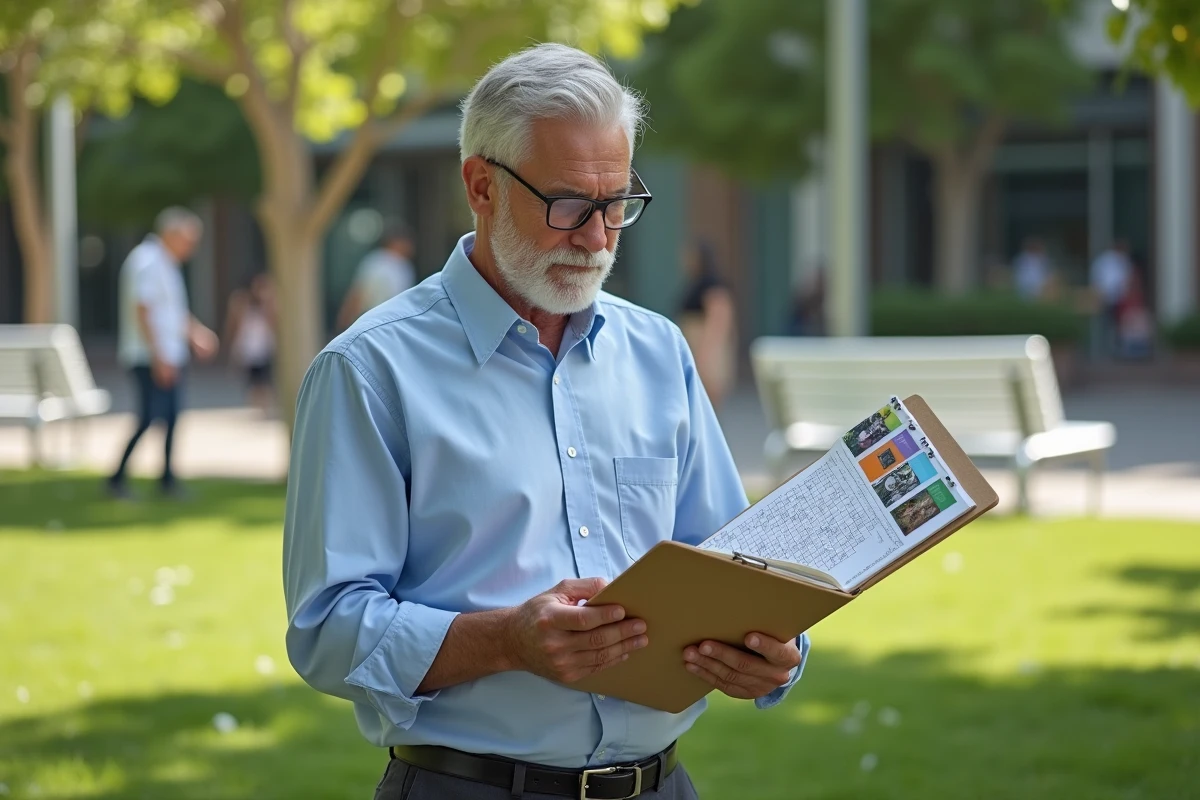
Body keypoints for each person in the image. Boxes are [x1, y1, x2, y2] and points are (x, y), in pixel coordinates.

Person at [283, 43, 808, 800]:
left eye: (618, 204)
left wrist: (775, 647)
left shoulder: (658, 351)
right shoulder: (370, 369)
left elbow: (727, 562)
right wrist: (505, 642)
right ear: (481, 185)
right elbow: (327, 630)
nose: (597, 238)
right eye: (569, 205)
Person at [108, 207, 219, 499]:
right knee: (149, 417)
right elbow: (143, 311)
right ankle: (116, 479)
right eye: (188, 240)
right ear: (171, 234)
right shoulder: (147, 262)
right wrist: (159, 356)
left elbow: (172, 312)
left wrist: (195, 334)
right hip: (150, 357)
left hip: (169, 355)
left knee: (170, 417)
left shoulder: (166, 264)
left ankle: (167, 480)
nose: (191, 248)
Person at [678, 240, 736, 410]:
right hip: (695, 345)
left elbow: (719, 319)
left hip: (706, 348)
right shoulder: (696, 283)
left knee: (707, 404)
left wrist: (705, 354)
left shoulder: (713, 284)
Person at [336, 222, 417, 331]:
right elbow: (358, 294)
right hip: (371, 320)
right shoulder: (377, 261)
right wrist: (346, 322)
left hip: (393, 323)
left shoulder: (405, 266)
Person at [223, 272, 277, 415]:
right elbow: (233, 325)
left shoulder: (268, 304)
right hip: (248, 349)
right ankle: (258, 408)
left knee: (264, 380)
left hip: (265, 348)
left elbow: (275, 323)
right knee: (253, 381)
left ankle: (262, 408)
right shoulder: (241, 302)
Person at [1089, 240, 1133, 359]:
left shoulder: (1123, 260)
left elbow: (1126, 280)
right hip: (1105, 298)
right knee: (1104, 325)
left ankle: (1116, 350)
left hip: (1119, 300)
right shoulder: (1105, 261)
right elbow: (1098, 279)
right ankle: (1101, 351)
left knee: (1119, 326)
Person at [1013, 237, 1051, 301]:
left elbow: (1047, 274)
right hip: (1025, 286)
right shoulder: (1022, 258)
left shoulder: (1043, 259)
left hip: (1040, 287)